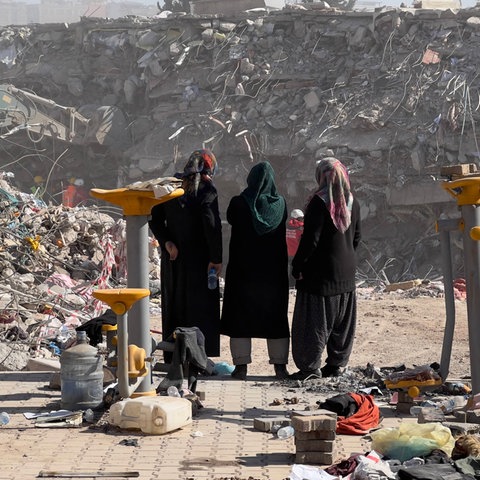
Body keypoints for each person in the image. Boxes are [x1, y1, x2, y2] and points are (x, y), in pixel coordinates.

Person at [289, 157, 361, 381]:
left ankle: (310, 368)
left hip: (320, 277)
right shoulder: (352, 202)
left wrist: (297, 265)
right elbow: (357, 237)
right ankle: (336, 365)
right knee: (342, 325)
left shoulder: (318, 203)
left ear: (320, 176)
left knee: (314, 324)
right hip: (346, 274)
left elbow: (311, 240)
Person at [148, 149, 222, 358]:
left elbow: (154, 218)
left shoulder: (172, 186)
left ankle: (175, 355)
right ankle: (198, 356)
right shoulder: (207, 189)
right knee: (200, 308)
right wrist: (216, 258)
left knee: (176, 304)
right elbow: (212, 224)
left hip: (175, 259)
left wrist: (167, 242)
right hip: (201, 260)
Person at [221, 161, 290, 380]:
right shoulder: (280, 204)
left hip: (244, 273)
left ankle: (241, 367)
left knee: (241, 317)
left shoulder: (239, 203)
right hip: (272, 275)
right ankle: (279, 367)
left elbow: (231, 218)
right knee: (276, 319)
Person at [286, 209, 304, 287]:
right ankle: (294, 285)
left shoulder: (286, 226)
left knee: (288, 271)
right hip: (297, 254)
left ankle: (289, 285)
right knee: (296, 271)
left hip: (287, 253)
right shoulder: (301, 228)